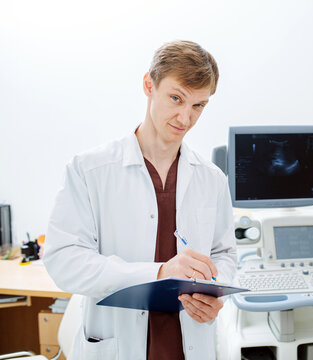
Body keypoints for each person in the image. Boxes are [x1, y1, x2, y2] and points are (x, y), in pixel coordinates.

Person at [44, 40, 237, 360]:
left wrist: (215, 294)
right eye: (176, 98)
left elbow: (224, 253)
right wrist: (159, 274)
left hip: (189, 342)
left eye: (198, 106)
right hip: (118, 345)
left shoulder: (212, 179)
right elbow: (65, 261)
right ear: (149, 85)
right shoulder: (90, 170)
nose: (185, 118)